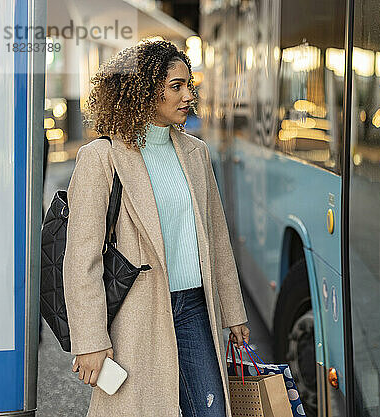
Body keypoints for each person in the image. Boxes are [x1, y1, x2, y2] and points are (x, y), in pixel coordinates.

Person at [63, 39, 250, 417]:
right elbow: (81, 258)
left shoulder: (195, 153)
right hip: (137, 313)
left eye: (189, 85)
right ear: (146, 92)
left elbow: (216, 237)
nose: (188, 96)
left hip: (194, 307)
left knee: (212, 410)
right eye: (176, 86)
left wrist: (234, 311)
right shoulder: (102, 158)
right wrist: (90, 340)